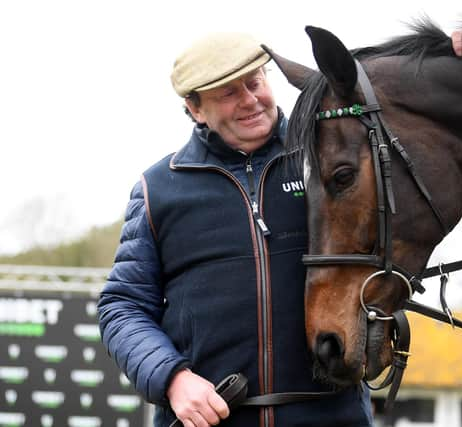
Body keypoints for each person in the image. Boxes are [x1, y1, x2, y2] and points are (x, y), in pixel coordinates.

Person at [97, 32, 374, 427]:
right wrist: (173, 379)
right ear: (195, 108)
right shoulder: (157, 189)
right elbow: (122, 306)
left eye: (254, 82)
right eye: (227, 93)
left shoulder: (328, 160)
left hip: (334, 416)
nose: (249, 99)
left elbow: (383, 251)